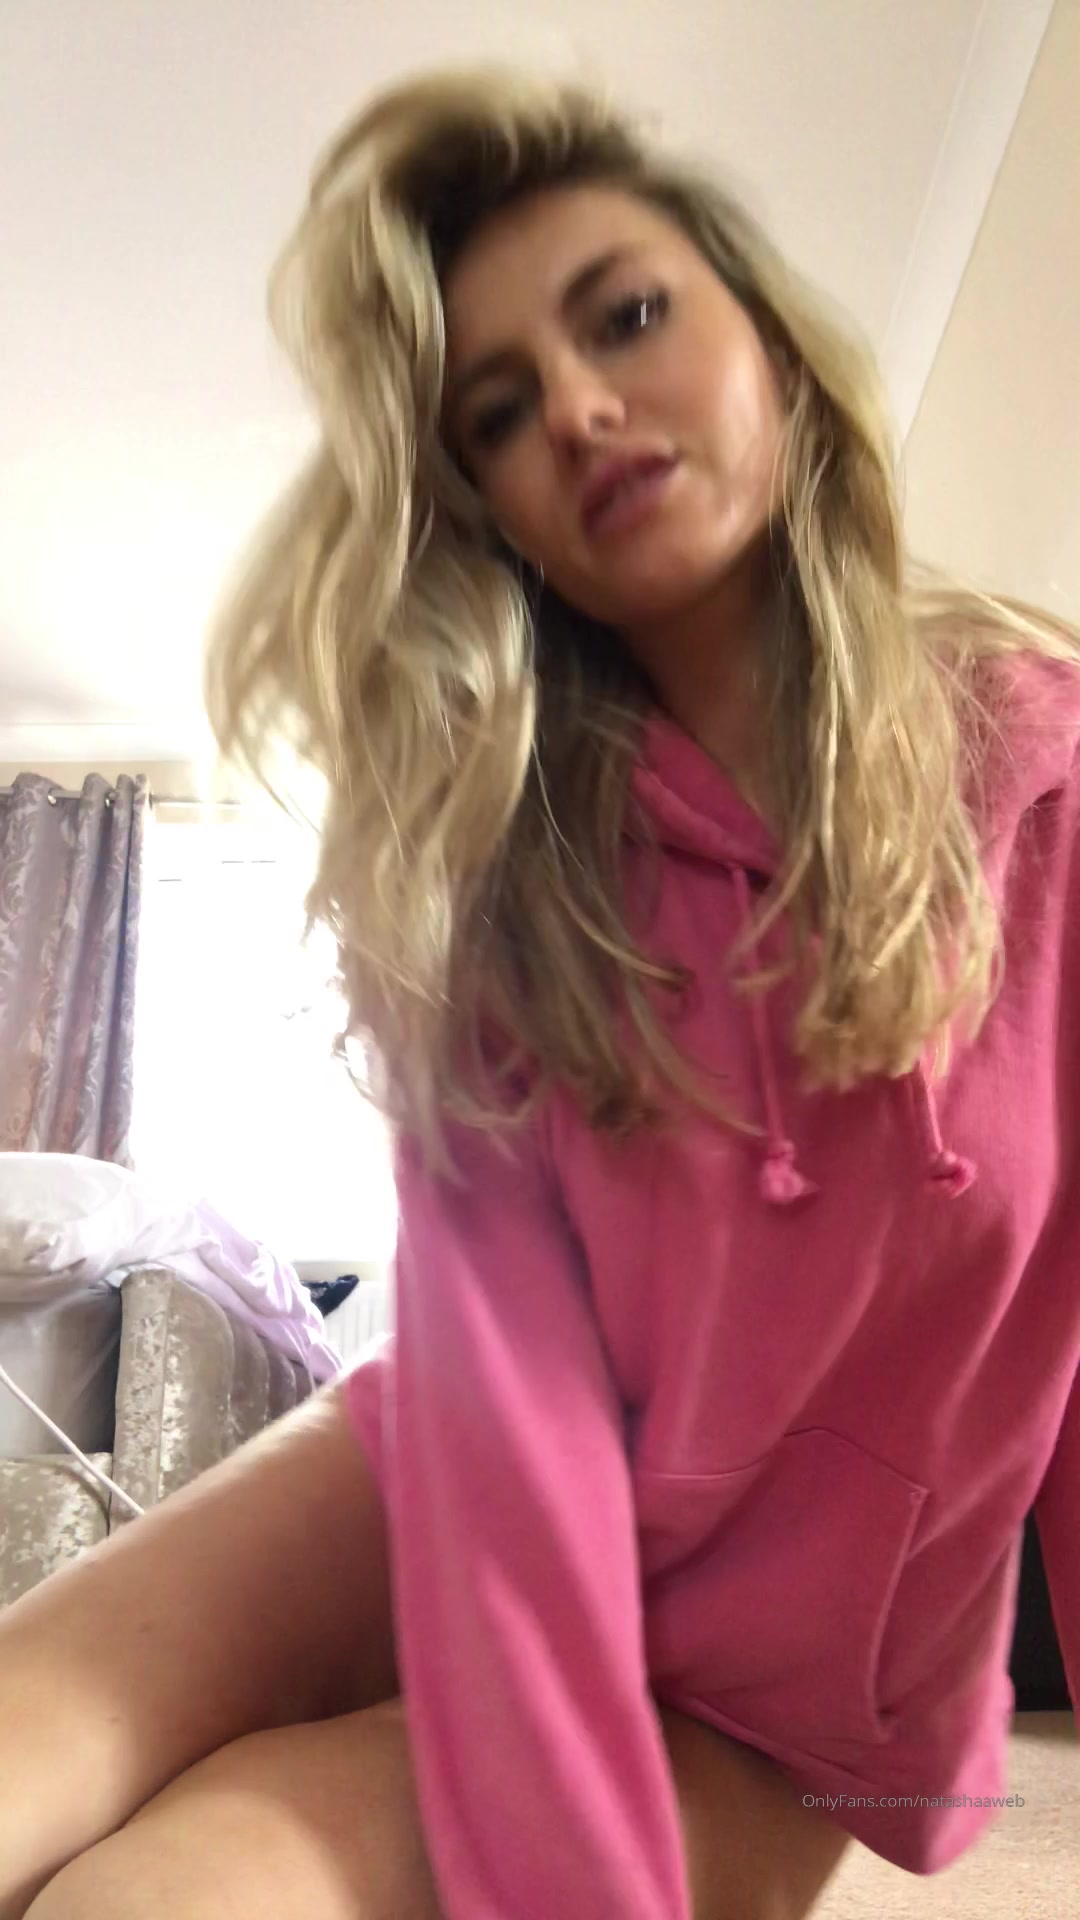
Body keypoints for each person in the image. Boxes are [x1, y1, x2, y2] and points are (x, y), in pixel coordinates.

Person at [3, 62, 1080, 1920]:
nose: (576, 408)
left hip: (765, 1696)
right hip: (450, 1476)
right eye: (496, 408)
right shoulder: (519, 849)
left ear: (769, 347)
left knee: (171, 1897)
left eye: (627, 316)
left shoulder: (1042, 781)